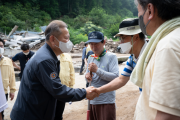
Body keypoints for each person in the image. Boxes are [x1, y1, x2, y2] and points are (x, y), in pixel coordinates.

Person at [10, 20, 98, 120]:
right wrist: (84, 92)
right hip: (30, 115)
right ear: (52, 39)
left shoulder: (47, 55)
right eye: (66, 38)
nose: (69, 42)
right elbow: (57, 90)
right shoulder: (45, 60)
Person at [129, 0, 180, 119]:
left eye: (139, 11)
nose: (139, 16)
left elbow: (168, 116)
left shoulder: (168, 46)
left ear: (150, 10)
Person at [91, 18, 146, 95]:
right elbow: (121, 80)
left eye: (123, 38)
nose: (121, 43)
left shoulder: (152, 56)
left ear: (136, 37)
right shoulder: (132, 58)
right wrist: (98, 90)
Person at [85, 31, 119, 120]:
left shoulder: (111, 56)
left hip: (106, 101)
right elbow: (87, 76)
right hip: (92, 100)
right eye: (91, 44)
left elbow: (115, 77)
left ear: (103, 42)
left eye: (96, 44)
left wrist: (97, 70)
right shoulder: (91, 57)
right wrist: (87, 76)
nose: (93, 47)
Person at [55, 53, 75, 120]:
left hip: (63, 88)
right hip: (51, 89)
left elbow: (71, 72)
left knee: (59, 112)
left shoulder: (67, 56)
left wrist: (71, 86)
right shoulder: (49, 56)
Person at [0, 38, 16, 120]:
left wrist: (12, 90)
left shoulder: (8, 60)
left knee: (1, 112)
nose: (0, 48)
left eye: (1, 46)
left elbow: (12, 75)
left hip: (4, 91)